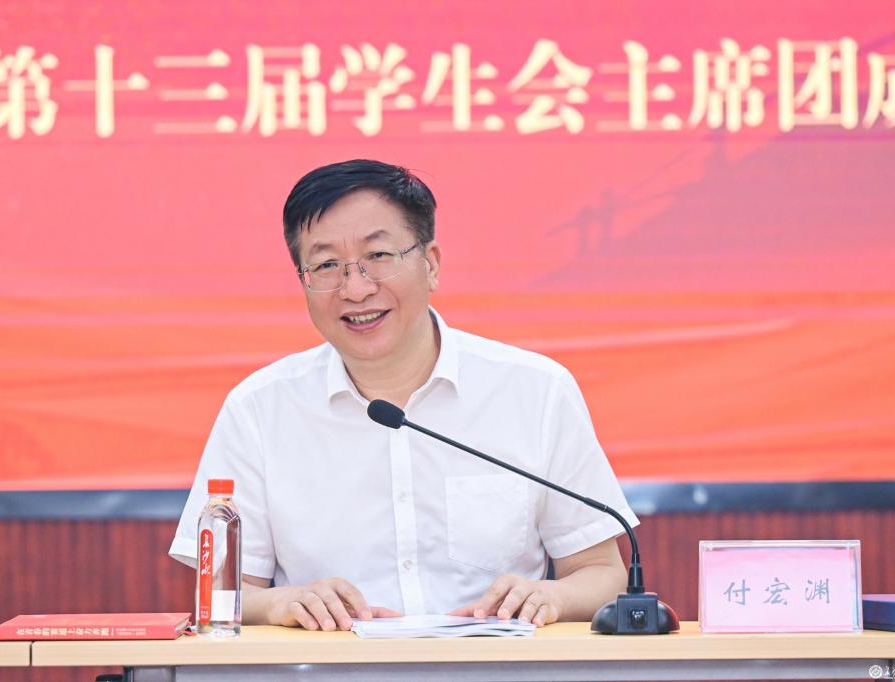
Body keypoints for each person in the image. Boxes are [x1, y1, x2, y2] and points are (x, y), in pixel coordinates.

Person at [169, 159, 639, 631]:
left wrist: (552, 595)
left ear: (430, 264)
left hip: (494, 664)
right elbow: (220, 593)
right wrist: (279, 603)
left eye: (379, 256)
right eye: (327, 265)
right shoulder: (258, 409)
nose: (356, 289)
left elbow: (602, 573)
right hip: (329, 666)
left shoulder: (535, 391)